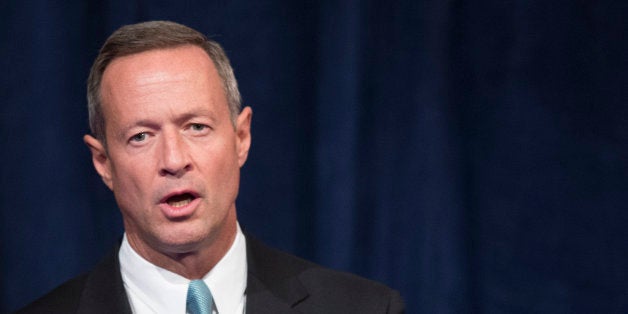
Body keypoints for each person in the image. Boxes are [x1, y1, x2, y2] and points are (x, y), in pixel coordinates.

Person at [18, 20, 404, 314]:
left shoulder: (366, 308)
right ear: (103, 163)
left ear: (241, 138)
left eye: (196, 127)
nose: (173, 161)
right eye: (141, 136)